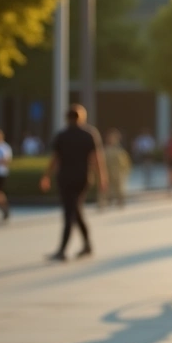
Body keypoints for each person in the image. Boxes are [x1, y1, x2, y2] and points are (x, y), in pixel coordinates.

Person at [42, 105, 106, 261]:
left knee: (69, 212)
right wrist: (102, 178)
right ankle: (87, 245)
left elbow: (55, 159)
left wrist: (46, 176)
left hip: (65, 178)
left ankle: (62, 250)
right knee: (75, 211)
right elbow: (96, 158)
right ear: (82, 117)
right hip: (83, 178)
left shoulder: (62, 135)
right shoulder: (89, 134)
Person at [103, 129, 131, 209]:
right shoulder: (106, 149)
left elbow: (125, 162)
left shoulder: (119, 150)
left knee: (119, 188)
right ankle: (107, 202)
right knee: (107, 188)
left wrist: (125, 171)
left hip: (118, 172)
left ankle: (120, 202)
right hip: (108, 171)